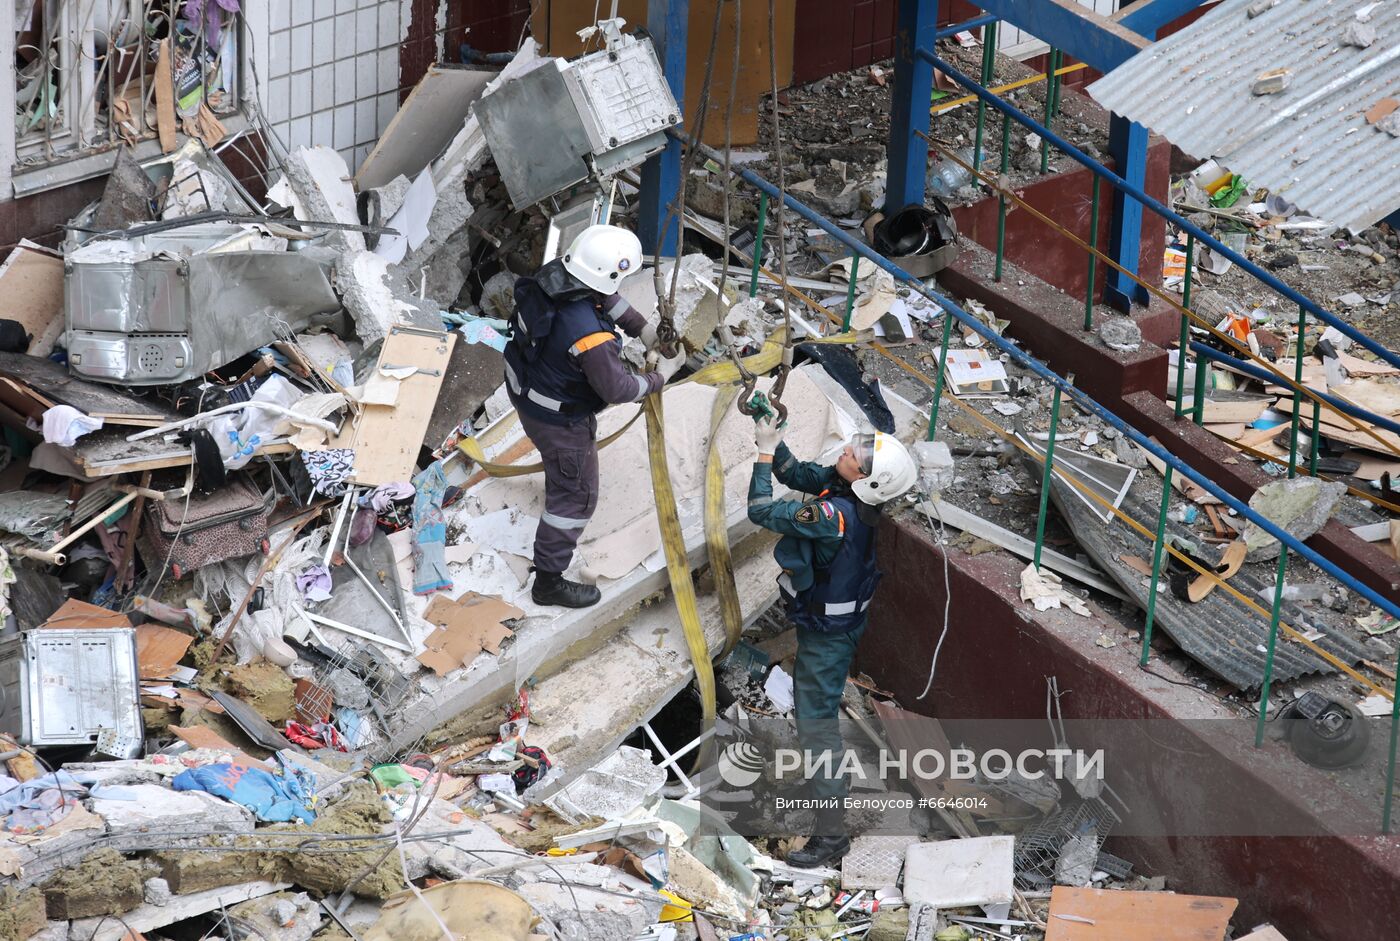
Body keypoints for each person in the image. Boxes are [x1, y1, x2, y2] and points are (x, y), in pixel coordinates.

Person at [746, 413, 917, 868]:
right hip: (835, 623)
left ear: (867, 479)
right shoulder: (851, 493)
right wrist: (775, 439)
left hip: (828, 637)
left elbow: (760, 510)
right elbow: (798, 473)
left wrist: (761, 455)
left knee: (817, 727)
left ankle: (832, 834)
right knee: (815, 716)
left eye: (854, 455)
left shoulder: (832, 516)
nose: (844, 450)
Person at [503, 224, 685, 608]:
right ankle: (548, 583)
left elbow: (609, 298)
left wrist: (645, 330)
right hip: (559, 421)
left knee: (562, 470)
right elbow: (617, 389)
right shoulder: (591, 338)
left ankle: (556, 473)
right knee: (575, 497)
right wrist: (659, 378)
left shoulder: (555, 276)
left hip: (525, 388)